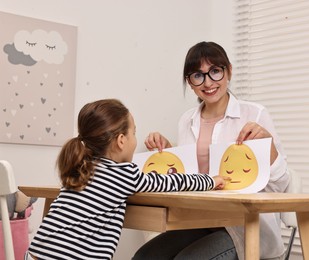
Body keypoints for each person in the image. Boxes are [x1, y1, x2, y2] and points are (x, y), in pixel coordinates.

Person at [134, 41, 290, 260]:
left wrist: (269, 144)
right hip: (199, 222)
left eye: (215, 71)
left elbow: (280, 186)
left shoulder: (255, 114)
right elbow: (191, 180)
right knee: (144, 257)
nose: (207, 82)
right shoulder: (186, 120)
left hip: (244, 227)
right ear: (190, 82)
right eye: (198, 75)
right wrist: (169, 154)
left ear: (229, 72)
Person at [24, 99, 227, 260]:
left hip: (34, 254)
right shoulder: (123, 174)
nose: (134, 139)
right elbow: (171, 182)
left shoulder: (80, 168)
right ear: (121, 141)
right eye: (134, 133)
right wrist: (210, 180)